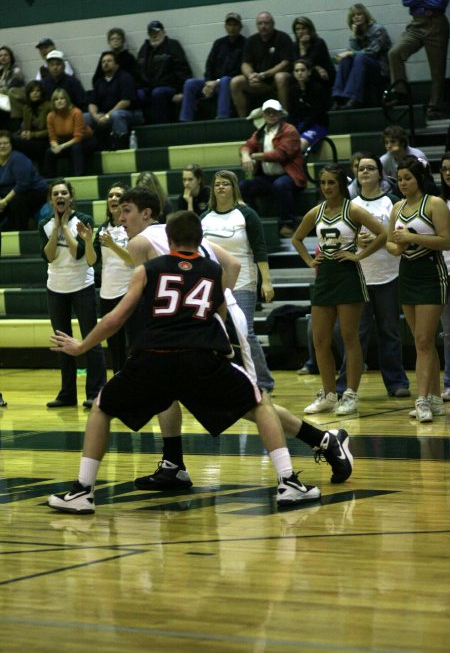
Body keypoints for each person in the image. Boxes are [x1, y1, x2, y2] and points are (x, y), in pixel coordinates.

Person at [47, 209, 323, 514]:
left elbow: (116, 318)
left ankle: (83, 491)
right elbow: (218, 316)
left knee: (101, 408)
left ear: (168, 238)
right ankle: (288, 483)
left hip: (153, 357)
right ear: (201, 239)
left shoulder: (148, 270)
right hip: (199, 359)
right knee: (261, 405)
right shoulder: (214, 271)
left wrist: (82, 345)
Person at [118, 188, 353, 491]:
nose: (120, 218)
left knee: (252, 403)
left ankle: (324, 440)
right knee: (167, 390)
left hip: (214, 325)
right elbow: (232, 265)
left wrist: (211, 307)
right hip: (201, 323)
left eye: (126, 211)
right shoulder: (177, 231)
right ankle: (173, 464)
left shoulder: (140, 243)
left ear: (146, 213)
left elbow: (148, 298)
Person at [292, 163, 387, 415]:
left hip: (348, 276)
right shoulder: (316, 212)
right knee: (320, 339)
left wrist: (359, 255)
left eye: (331, 183)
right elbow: (296, 238)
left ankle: (350, 394)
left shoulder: (353, 209)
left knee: (349, 338)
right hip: (325, 277)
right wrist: (310, 260)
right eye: (322, 183)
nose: (326, 187)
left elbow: (383, 234)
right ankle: (329, 394)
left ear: (341, 184)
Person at [335, 153, 410, 397]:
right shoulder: (350, 204)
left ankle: (397, 383)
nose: (365, 172)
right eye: (360, 169)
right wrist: (356, 239)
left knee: (390, 330)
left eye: (370, 168)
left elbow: (401, 235)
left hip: (389, 275)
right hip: (359, 277)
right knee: (356, 334)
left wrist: (378, 239)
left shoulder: (392, 202)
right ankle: (346, 385)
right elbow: (340, 239)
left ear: (380, 173)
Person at [387, 156, 450, 422]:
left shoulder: (434, 204)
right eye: (400, 179)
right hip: (408, 275)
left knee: (424, 340)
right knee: (421, 342)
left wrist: (412, 237)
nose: (403, 183)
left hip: (431, 274)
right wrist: (398, 246)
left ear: (420, 179)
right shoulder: (397, 207)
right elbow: (391, 244)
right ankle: (435, 399)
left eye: (408, 178)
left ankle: (421, 400)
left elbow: (446, 241)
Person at [201, 169, 275, 393]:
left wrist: (266, 281)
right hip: (214, 283)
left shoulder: (246, 214)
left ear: (234, 187)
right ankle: (230, 378)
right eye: (217, 184)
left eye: (225, 183)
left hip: (243, 281)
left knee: (246, 332)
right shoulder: (205, 218)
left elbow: (260, 248)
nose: (221, 187)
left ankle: (263, 381)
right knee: (219, 333)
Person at [38, 178, 107, 409]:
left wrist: (66, 226)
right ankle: (67, 394)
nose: (60, 196)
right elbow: (49, 256)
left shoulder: (83, 220)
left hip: (82, 287)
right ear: (51, 199)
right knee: (62, 341)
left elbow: (79, 254)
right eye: (55, 193)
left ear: (71, 197)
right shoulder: (45, 224)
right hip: (55, 288)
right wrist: (56, 227)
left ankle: (95, 391)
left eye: (64, 193)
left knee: (91, 339)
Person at [239, 98, 305, 238]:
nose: (271, 115)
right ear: (263, 114)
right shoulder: (260, 132)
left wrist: (255, 156)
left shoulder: (290, 130)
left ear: (280, 114)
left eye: (274, 112)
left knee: (281, 185)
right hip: (267, 177)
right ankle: (254, 222)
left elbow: (281, 154)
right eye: (268, 112)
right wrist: (245, 155)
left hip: (289, 176)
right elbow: (247, 145)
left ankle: (287, 224)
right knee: (243, 185)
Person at [85, 182, 133, 374]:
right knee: (115, 346)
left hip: (130, 292)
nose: (113, 199)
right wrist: (88, 241)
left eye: (118, 195)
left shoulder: (130, 227)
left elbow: (133, 259)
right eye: (110, 195)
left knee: (133, 343)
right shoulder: (103, 228)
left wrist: (112, 245)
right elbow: (91, 261)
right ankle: (119, 386)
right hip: (108, 294)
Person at [388, 0, 449, 119]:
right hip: (416, 23)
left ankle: (434, 108)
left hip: (436, 22)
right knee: (394, 53)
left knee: (437, 69)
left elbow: (438, 2)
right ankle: (401, 94)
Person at [179, 12, 246, 122]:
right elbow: (209, 64)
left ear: (240, 27)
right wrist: (208, 82)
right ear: (225, 27)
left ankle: (222, 118)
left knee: (225, 80)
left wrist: (217, 82)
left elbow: (240, 69)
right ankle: (185, 120)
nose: (232, 28)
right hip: (212, 82)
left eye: (235, 25)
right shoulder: (219, 43)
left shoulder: (245, 44)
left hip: (229, 82)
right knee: (189, 83)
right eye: (229, 25)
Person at [230, 12, 294, 117]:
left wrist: (265, 74)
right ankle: (243, 120)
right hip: (258, 81)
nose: (263, 26)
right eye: (260, 23)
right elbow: (245, 63)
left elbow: (286, 63)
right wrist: (251, 75)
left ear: (273, 24)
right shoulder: (251, 40)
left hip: (275, 80)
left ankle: (284, 117)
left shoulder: (283, 38)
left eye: (266, 23)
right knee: (235, 81)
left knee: (280, 77)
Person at [331, 4, 391, 110]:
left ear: (365, 15)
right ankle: (338, 97)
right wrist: (354, 35)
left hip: (380, 68)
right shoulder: (356, 33)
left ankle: (354, 98)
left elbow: (372, 52)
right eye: (353, 16)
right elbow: (352, 51)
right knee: (346, 60)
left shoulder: (378, 29)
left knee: (359, 57)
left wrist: (351, 53)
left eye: (359, 14)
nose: (356, 17)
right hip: (361, 68)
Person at [85, 51, 144, 151]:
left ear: (116, 64)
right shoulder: (99, 82)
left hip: (131, 113)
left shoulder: (125, 77)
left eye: (109, 61)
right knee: (84, 117)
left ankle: (121, 147)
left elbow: (125, 102)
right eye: (103, 62)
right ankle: (90, 147)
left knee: (117, 115)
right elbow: (92, 103)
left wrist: (107, 116)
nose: (105, 63)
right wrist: (95, 115)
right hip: (105, 114)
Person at [137, 20, 192, 124]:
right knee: (138, 94)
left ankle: (162, 127)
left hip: (169, 87)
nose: (154, 36)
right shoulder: (144, 50)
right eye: (151, 33)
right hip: (147, 88)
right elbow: (138, 72)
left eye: (157, 32)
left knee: (158, 93)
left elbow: (182, 69)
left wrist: (181, 92)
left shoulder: (173, 45)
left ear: (163, 32)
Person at [0, 130, 48, 231]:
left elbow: (23, 185)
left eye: (5, 143)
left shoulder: (18, 158)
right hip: (11, 192)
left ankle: (21, 232)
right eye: (0, 144)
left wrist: (4, 201)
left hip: (36, 191)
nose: (2, 146)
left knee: (16, 201)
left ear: (11, 145)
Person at [45, 88, 96, 177]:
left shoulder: (76, 112)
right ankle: (51, 180)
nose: (59, 101)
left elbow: (78, 137)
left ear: (67, 100)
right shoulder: (50, 116)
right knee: (49, 152)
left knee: (76, 148)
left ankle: (79, 177)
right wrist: (55, 146)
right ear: (53, 102)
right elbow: (52, 138)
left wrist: (61, 146)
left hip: (85, 141)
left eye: (62, 98)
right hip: (65, 142)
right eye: (56, 99)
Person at [287, 58, 331, 152]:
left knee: (299, 144)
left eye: (302, 70)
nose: (299, 73)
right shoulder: (292, 90)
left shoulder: (317, 89)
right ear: (294, 73)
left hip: (317, 125)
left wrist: (300, 130)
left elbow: (317, 114)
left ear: (309, 72)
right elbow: (292, 114)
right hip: (299, 125)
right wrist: (291, 130)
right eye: (297, 70)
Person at [11, 80, 51, 162]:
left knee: (20, 144)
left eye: (37, 91)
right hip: (31, 139)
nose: (35, 93)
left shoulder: (48, 106)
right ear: (28, 94)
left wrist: (32, 135)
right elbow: (26, 128)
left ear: (41, 93)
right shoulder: (26, 108)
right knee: (11, 140)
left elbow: (51, 131)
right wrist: (24, 133)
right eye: (32, 91)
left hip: (45, 140)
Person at [291, 16, 336, 87]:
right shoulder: (295, 45)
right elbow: (296, 64)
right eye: (297, 29)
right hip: (308, 71)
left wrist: (302, 48)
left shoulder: (318, 42)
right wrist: (316, 67)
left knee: (308, 74)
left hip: (323, 72)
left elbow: (308, 63)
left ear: (310, 30)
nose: (300, 32)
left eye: (303, 28)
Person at [439, 152, 450, 400]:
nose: (448, 172)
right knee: (448, 331)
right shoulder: (439, 203)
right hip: (445, 274)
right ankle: (449, 381)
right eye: (445, 169)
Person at [0, 45, 26, 128]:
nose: (3, 57)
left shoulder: (16, 71)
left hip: (15, 100)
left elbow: (9, 88)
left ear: (10, 57)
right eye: (1, 55)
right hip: (3, 102)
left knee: (5, 91)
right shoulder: (0, 72)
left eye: (6, 55)